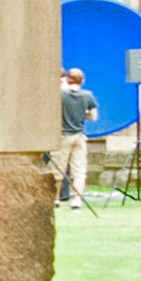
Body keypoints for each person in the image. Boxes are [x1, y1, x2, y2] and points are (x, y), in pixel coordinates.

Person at [55, 66, 97, 209]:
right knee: (79, 171)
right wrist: (82, 114)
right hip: (79, 135)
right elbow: (94, 117)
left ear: (67, 79)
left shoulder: (60, 94)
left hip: (63, 135)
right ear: (82, 81)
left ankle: (55, 199)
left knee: (58, 169)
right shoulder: (88, 95)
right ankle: (77, 201)